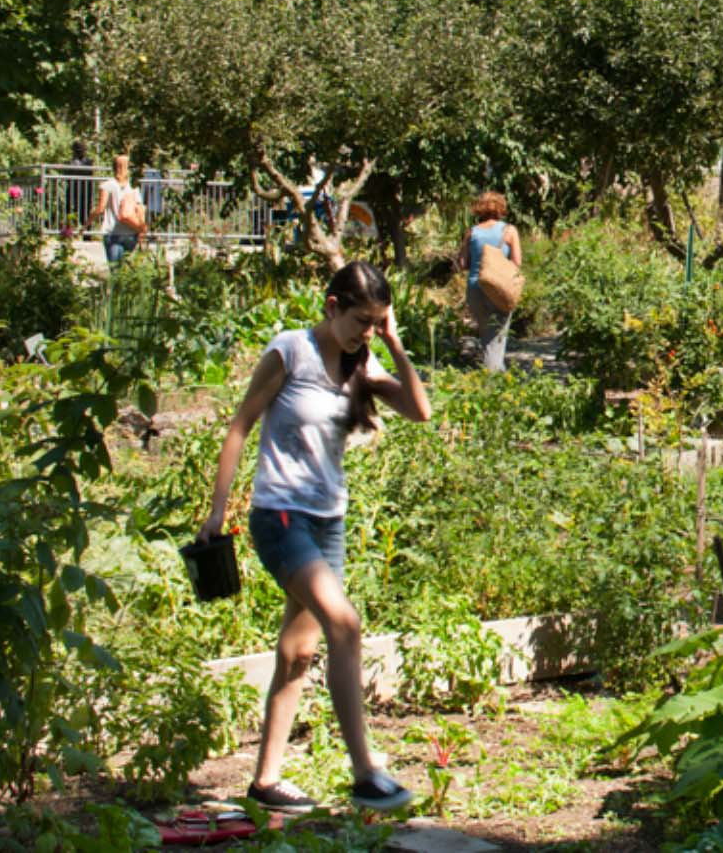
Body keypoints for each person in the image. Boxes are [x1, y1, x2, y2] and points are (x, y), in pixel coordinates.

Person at [196, 262, 431, 813]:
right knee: (345, 623)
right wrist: (215, 510)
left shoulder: (362, 363)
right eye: (360, 320)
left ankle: (265, 781)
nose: (365, 331)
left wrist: (393, 344)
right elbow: (240, 425)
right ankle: (366, 772)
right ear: (331, 306)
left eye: (376, 322)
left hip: (328, 522)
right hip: (280, 517)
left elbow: (419, 411)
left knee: (299, 651)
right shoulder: (291, 351)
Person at [461, 191, 521, 371]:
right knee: (497, 339)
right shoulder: (509, 231)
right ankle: (491, 382)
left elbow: (462, 263)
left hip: (475, 288)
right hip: (498, 289)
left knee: (487, 337)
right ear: (501, 208)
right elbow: (517, 263)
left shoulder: (471, 232)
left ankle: (494, 380)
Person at [90, 154, 140, 266]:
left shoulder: (107, 185)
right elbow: (139, 208)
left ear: (113, 168)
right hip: (131, 233)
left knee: (115, 270)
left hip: (112, 232)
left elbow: (100, 208)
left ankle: (115, 284)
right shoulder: (134, 187)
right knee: (124, 269)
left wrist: (86, 225)